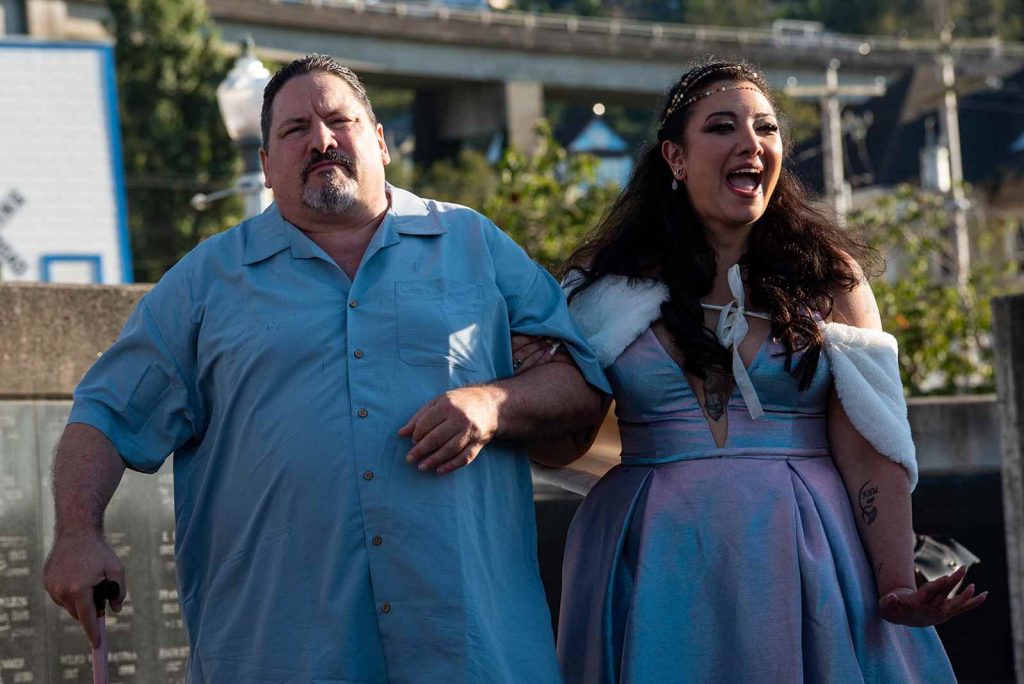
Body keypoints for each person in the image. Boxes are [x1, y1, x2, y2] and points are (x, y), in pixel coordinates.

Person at [41, 55, 608, 683]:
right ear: (264, 164)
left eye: (340, 120)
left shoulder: (477, 246)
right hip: (281, 656)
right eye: (294, 130)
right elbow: (105, 414)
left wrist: (494, 404)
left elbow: (582, 386)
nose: (321, 140)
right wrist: (76, 533)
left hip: (472, 652)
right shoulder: (204, 284)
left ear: (381, 142)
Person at [531, 60, 986, 682]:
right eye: (722, 127)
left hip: (805, 552)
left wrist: (895, 584)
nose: (751, 143)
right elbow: (565, 437)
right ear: (675, 156)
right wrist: (524, 373)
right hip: (651, 553)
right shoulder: (603, 290)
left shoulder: (829, 280)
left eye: (766, 129)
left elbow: (870, 446)